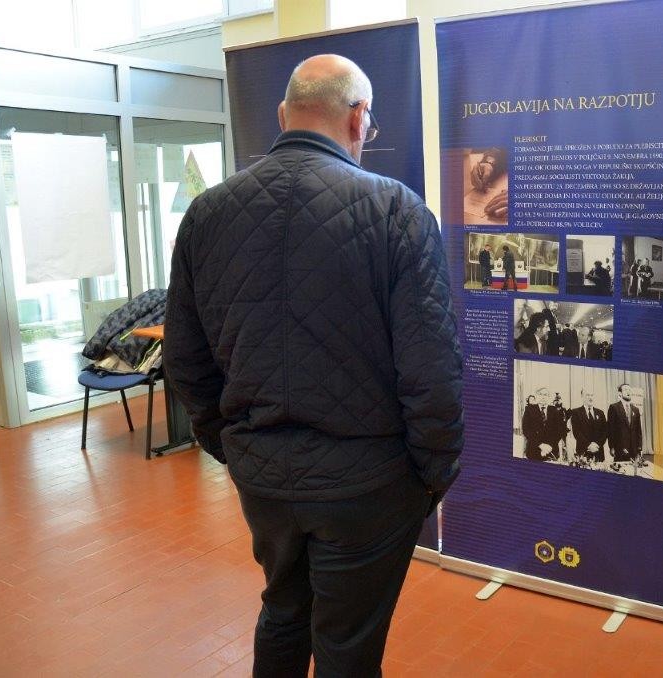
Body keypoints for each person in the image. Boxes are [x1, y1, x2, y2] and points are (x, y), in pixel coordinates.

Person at [163, 55, 463, 678]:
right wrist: (431, 477)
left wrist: (237, 448)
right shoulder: (395, 211)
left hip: (263, 479)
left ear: (283, 115)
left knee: (283, 612)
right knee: (348, 645)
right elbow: (431, 370)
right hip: (370, 484)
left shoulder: (206, 213)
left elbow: (185, 363)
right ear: (358, 118)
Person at [521, 388, 563, 461]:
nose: (543, 397)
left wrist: (549, 446)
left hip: (551, 450)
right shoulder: (529, 409)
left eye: (546, 395)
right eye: (541, 394)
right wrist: (540, 445)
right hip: (534, 449)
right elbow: (526, 430)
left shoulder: (555, 410)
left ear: (549, 397)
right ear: (536, 396)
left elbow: (559, 431)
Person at [568, 388, 607, 462]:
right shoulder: (576, 412)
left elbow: (605, 432)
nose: (590, 397)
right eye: (587, 395)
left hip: (598, 452)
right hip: (583, 452)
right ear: (582, 396)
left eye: (592, 395)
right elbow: (577, 432)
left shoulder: (600, 413)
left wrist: (597, 445)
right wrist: (589, 445)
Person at [607, 383, 643, 463]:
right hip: (620, 449)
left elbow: (638, 431)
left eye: (630, 390)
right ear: (620, 393)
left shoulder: (636, 410)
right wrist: (611, 447)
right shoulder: (614, 407)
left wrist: (639, 448)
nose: (628, 391)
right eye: (626, 390)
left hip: (634, 449)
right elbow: (610, 429)